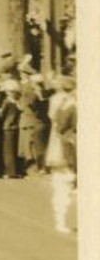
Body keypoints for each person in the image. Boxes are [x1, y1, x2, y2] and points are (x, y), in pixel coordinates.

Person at [45, 77, 77, 233]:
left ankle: (61, 219)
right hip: (67, 147)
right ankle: (61, 220)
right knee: (65, 182)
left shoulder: (62, 104)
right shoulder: (69, 106)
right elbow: (63, 127)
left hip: (62, 145)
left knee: (64, 183)